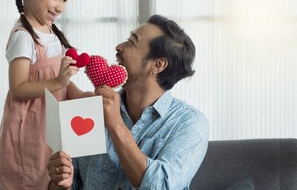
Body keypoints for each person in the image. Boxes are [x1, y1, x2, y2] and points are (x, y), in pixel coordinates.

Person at [47, 15, 209, 190]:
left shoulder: (190, 124)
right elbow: (71, 183)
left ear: (157, 65)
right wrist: (61, 182)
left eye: (132, 42)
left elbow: (161, 186)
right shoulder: (91, 109)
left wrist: (116, 124)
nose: (119, 47)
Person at [0, 0, 94, 190]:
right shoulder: (23, 36)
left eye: (65, 0)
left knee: (56, 178)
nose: (60, 6)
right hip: (29, 128)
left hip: (53, 125)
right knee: (30, 178)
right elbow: (18, 88)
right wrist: (58, 80)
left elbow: (63, 82)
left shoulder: (51, 31)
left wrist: (79, 95)